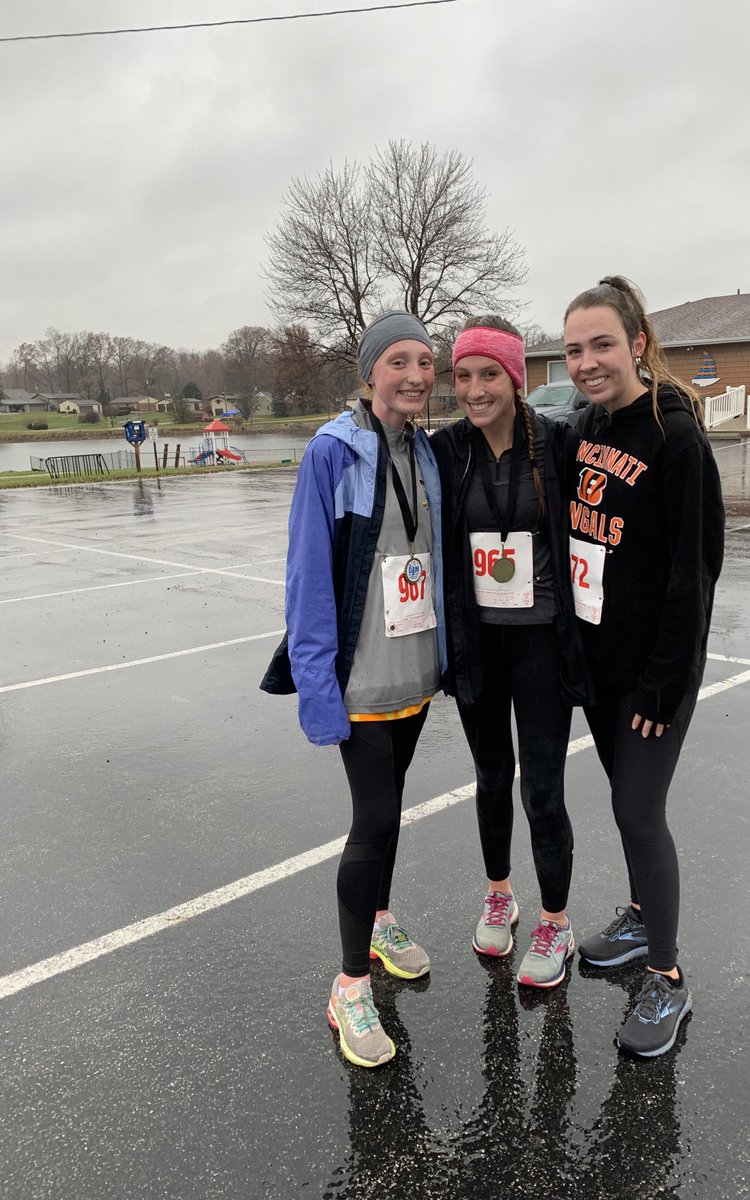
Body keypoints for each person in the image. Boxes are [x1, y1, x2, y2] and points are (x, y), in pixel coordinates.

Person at [269, 311, 446, 1068]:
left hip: (415, 677)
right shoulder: (333, 452)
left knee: (391, 812)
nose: (414, 374)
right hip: (362, 682)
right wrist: (316, 685)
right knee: (371, 822)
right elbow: (309, 575)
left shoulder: (427, 452)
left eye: (425, 362)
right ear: (370, 372)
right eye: (398, 361)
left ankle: (377, 919)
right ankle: (348, 984)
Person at [563, 276, 724, 1056]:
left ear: (637, 344)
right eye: (574, 349)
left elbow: (693, 573)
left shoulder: (676, 438)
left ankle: (667, 977)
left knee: (638, 811)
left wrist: (666, 680)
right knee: (622, 801)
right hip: (601, 662)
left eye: (601, 345)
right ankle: (638, 916)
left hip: (653, 673)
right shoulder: (591, 423)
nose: (588, 362)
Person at [430, 317, 592, 989]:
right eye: (463, 376)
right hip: (479, 644)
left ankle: (555, 920)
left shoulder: (557, 443)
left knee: (544, 790)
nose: (475, 389)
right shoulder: (447, 451)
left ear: (515, 378)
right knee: (492, 778)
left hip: (543, 644)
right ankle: (500, 893)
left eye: (488, 374)